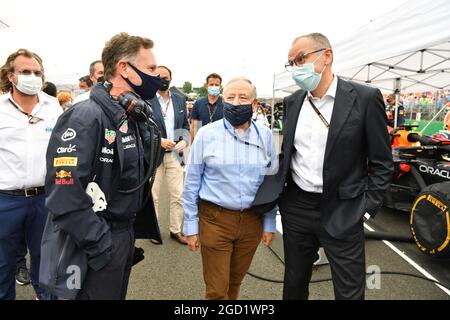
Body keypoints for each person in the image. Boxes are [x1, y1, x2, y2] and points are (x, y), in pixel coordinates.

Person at [253, 33, 393, 300]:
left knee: (349, 290)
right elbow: (290, 153)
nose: (296, 67)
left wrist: (365, 209)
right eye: (291, 62)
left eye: (301, 59)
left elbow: (383, 162)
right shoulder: (293, 102)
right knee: (294, 284)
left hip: (345, 208)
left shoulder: (364, 98)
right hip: (297, 208)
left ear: (326, 56)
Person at [40, 32, 162, 300]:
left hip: (122, 237)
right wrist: (99, 244)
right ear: (123, 68)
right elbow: (64, 192)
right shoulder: (85, 116)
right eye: (151, 68)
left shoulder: (131, 114)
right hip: (95, 241)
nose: (157, 75)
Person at [183, 77, 277, 300]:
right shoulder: (207, 134)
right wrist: (190, 226)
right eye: (230, 97)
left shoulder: (265, 136)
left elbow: (271, 182)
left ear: (254, 104)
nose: (235, 103)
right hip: (215, 220)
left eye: (243, 97)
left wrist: (269, 222)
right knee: (217, 290)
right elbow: (192, 182)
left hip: (252, 221)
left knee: (234, 282)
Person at [0, 49, 63, 300]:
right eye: (25, 72)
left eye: (37, 72)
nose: (32, 77)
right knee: (2, 264)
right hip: (6, 201)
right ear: (11, 76)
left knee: (46, 262)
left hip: (45, 200)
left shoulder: (54, 107)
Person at [149, 65, 190, 245]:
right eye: (158, 77)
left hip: (175, 154)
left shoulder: (180, 100)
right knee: (153, 196)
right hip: (154, 154)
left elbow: (186, 127)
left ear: (171, 79)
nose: (162, 80)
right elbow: (142, 129)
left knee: (178, 195)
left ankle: (176, 230)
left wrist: (184, 141)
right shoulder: (146, 99)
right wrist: (159, 140)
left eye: (165, 77)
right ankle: (154, 230)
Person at [190, 73, 223, 142]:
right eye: (211, 84)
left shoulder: (226, 104)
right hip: (202, 143)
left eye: (217, 85)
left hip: (220, 143)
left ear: (220, 87)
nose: (214, 87)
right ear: (206, 86)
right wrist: (192, 146)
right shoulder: (198, 103)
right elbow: (193, 127)